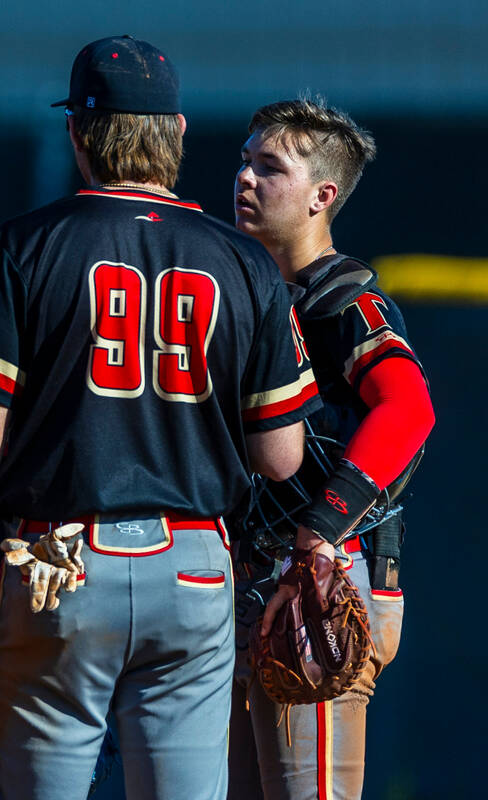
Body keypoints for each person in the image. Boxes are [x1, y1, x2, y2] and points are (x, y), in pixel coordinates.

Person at [0, 35, 321, 800]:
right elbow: (281, 456)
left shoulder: (24, 247)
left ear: (77, 134)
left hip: (61, 565)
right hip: (194, 566)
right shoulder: (243, 260)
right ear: (179, 133)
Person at [228, 97, 435, 800]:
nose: (246, 178)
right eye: (244, 161)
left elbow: (409, 409)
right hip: (256, 577)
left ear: (323, 196)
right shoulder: (250, 292)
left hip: (326, 576)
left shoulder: (343, 299)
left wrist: (318, 530)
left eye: (269, 167)